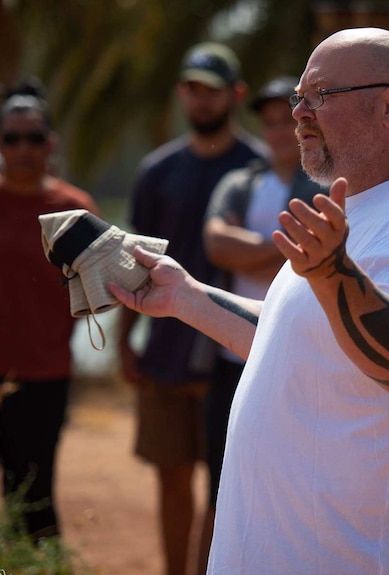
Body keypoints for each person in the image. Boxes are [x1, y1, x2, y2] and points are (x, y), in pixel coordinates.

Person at [109, 27, 389, 575]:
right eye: (299, 98)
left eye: (319, 96)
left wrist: (331, 273)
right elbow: (303, 340)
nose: (299, 113)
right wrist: (186, 297)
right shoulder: (377, 206)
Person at [117, 42, 265, 575]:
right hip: (164, 353)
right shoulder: (157, 171)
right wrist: (124, 344)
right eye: (191, 89)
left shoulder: (258, 169)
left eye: (211, 90)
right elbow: (131, 263)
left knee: (225, 486)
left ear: (236, 94)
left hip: (232, 355)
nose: (199, 101)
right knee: (172, 478)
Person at [197, 76, 324, 573]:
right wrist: (293, 245)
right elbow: (216, 247)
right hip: (230, 357)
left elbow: (239, 250)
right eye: (269, 121)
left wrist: (250, 250)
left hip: (294, 360)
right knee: (217, 488)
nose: (278, 130)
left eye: (286, 119)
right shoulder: (240, 182)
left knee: (289, 491)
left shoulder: (324, 183)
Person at [0, 79, 99, 540]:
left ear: (50, 143)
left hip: (44, 377)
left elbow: (102, 291)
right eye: (11, 138)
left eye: (33, 138)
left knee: (35, 499)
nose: (23, 148)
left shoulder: (74, 211)